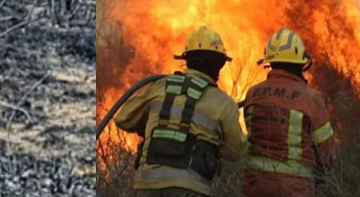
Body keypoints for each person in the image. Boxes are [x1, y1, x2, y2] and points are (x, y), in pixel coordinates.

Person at [115, 26, 248, 196]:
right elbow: (236, 151)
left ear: (187, 60)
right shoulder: (224, 103)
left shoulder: (160, 86)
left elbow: (123, 119)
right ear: (219, 65)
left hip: (147, 184)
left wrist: (151, 125)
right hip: (190, 187)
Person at [242, 28, 337, 197]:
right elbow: (327, 151)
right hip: (295, 189)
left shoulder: (253, 93)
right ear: (301, 63)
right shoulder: (311, 98)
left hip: (255, 185)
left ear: (269, 62)